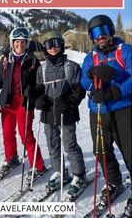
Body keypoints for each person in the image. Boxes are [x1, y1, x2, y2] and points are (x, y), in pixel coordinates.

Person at [81, 15, 132, 213]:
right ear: (91, 37)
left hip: (123, 108)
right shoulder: (90, 57)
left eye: (103, 30)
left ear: (111, 31)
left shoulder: (126, 51)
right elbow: (85, 82)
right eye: (95, 32)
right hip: (98, 109)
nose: (100, 36)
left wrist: (115, 90)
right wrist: (91, 80)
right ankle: (113, 182)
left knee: (130, 151)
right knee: (101, 150)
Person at [0, 27, 45, 181]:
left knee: (26, 135)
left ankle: (38, 166)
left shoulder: (33, 61)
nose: (20, 45)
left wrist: (32, 94)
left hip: (24, 103)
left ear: (27, 44)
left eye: (23, 42)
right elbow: (1, 81)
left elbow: (39, 85)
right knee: (7, 133)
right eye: (17, 42)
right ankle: (11, 157)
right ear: (12, 43)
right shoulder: (5, 60)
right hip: (7, 102)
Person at [35, 30, 86, 194]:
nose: (53, 47)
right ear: (44, 47)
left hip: (66, 112)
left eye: (56, 43)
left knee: (69, 144)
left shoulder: (71, 67)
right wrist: (38, 99)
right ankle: (59, 171)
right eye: (49, 44)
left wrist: (70, 102)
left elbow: (79, 89)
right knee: (52, 143)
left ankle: (79, 174)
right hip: (48, 113)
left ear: (62, 45)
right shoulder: (41, 69)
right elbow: (38, 89)